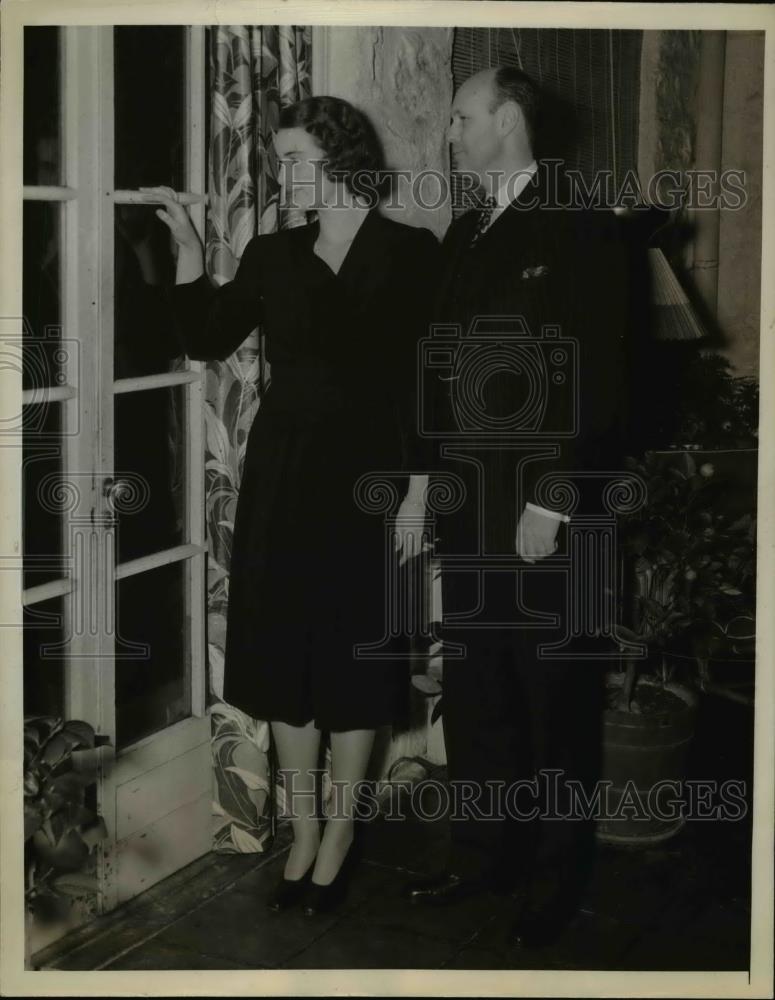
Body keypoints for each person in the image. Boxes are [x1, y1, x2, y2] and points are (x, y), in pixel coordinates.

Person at [144, 95, 440, 915]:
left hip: (373, 479)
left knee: (351, 663)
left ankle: (340, 834)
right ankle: (302, 832)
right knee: (286, 662)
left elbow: (429, 377)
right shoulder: (274, 255)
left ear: (344, 159)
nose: (287, 174)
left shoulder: (410, 251)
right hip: (284, 474)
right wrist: (192, 250)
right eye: (279, 160)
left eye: (301, 158)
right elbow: (205, 335)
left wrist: (419, 486)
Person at [402, 66, 629, 948]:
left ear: (507, 120)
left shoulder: (581, 226)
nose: (448, 134)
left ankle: (554, 878)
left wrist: (556, 499)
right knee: (478, 687)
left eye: (461, 118)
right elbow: (435, 366)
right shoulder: (466, 229)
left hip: (544, 511)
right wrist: (423, 478)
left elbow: (602, 377)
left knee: (552, 700)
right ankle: (482, 852)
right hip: (468, 503)